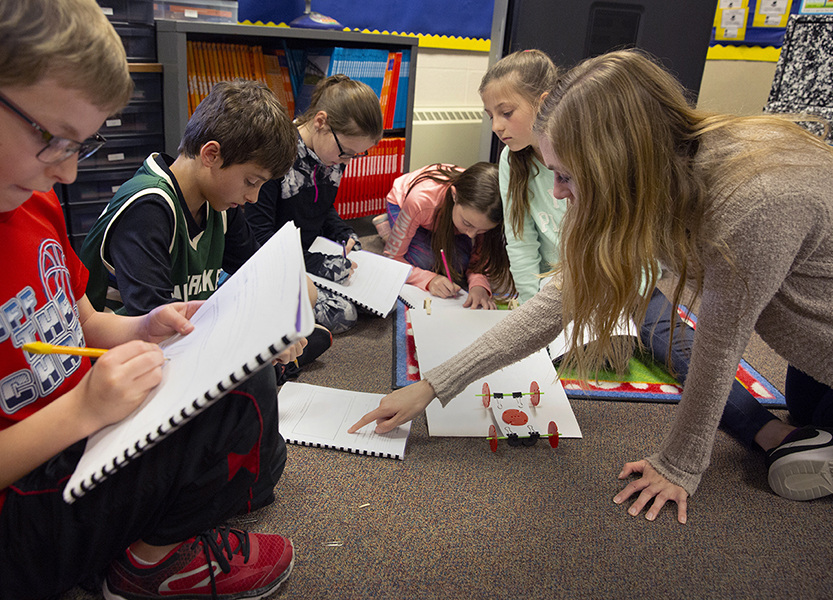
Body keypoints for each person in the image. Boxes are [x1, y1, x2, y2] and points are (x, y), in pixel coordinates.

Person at [352, 49, 833, 524]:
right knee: (804, 420)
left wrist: (679, 465)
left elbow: (718, 347)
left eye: (565, 175)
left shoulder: (752, 203)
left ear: (615, 162)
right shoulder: (653, 175)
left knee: (804, 449)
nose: (557, 191)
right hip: (804, 343)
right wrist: (433, 386)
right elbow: (556, 302)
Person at [0, 1, 296, 598]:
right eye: (52, 138)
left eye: (82, 146)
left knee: (237, 386)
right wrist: (81, 414)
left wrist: (143, 326)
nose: (70, 173)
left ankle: (145, 540)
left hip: (77, 437)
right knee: (223, 419)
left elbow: (81, 322)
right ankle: (146, 566)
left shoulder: (29, 196)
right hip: (1, 525)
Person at [78, 79, 322, 378]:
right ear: (211, 155)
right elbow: (155, 320)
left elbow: (260, 272)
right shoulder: (148, 206)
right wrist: (254, 336)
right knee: (255, 379)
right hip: (124, 359)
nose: (253, 197)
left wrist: (291, 296)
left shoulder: (219, 203)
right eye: (251, 181)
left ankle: (272, 365)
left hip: (181, 344)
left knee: (298, 302)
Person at [244, 74, 384, 334]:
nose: (347, 162)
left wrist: (342, 232)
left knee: (383, 299)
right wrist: (317, 264)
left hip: (309, 253)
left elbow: (321, 206)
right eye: (346, 153)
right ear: (320, 122)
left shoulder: (330, 156)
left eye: (356, 155)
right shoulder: (275, 156)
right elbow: (258, 237)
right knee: (344, 313)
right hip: (273, 262)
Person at [478, 49, 561, 305]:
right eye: (491, 116)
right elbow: (520, 241)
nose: (496, 127)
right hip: (555, 283)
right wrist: (530, 305)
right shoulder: (509, 160)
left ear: (543, 103)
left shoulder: (584, 152)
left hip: (615, 279)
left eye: (506, 113)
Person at [383, 162, 513, 309]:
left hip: (444, 220)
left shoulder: (488, 208)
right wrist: (429, 280)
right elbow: (391, 259)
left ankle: (401, 236)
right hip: (404, 205)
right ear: (454, 195)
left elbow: (479, 259)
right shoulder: (420, 200)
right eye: (467, 223)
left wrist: (479, 285)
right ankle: (391, 231)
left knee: (457, 267)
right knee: (426, 262)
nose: (471, 234)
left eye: (481, 230)